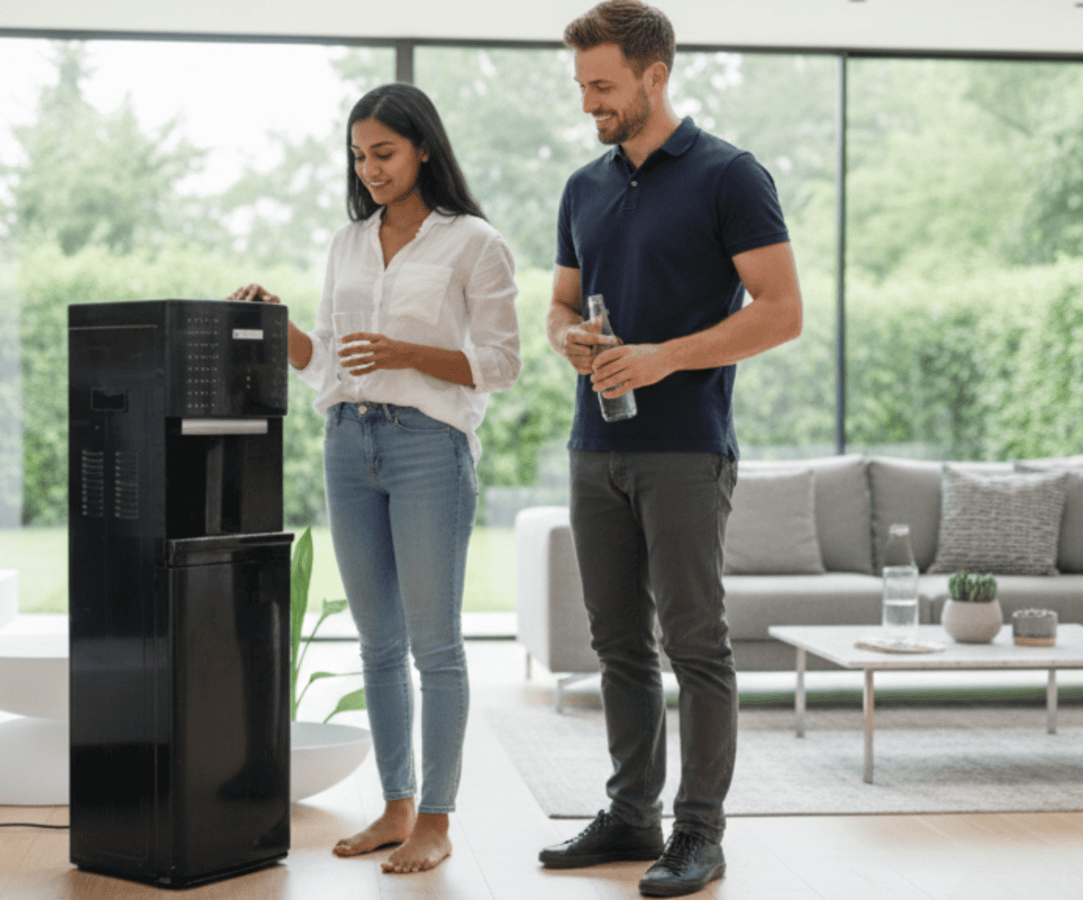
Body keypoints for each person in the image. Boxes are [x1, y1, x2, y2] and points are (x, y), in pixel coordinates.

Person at [535, 2, 804, 896]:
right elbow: (560, 307)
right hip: (594, 444)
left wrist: (661, 357)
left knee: (695, 643)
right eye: (582, 87)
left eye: (604, 86)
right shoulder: (585, 185)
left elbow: (779, 312)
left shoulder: (731, 176)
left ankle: (699, 834)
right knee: (616, 643)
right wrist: (570, 339)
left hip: (688, 448)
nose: (590, 104)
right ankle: (629, 817)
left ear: (655, 75)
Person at [228, 82, 521, 875]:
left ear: (423, 147)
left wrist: (406, 353)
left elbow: (501, 363)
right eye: (359, 156)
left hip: (430, 446)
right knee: (378, 644)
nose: (369, 169)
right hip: (347, 442)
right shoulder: (347, 243)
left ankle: (436, 817)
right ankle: (394, 808)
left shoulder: (474, 243)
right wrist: (273, 322)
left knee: (435, 646)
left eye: (383, 153)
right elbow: (323, 356)